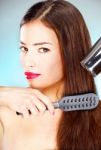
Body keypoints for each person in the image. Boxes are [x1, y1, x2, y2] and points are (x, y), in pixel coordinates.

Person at [0, 0, 101, 149]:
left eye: (43, 49)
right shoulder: (4, 112)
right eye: (24, 48)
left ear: (71, 53)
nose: (28, 62)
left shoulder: (97, 120)